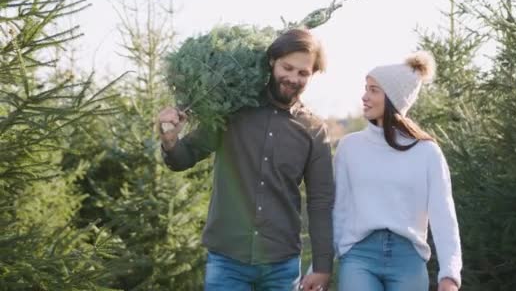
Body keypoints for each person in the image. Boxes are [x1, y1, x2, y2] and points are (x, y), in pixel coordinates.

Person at [157, 28, 335, 291]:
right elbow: (185, 157)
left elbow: (321, 201)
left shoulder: (314, 130)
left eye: (303, 73)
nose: (293, 78)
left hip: (282, 264)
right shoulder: (233, 110)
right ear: (273, 61)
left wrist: (322, 266)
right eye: (288, 67)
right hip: (227, 259)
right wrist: (170, 140)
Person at [333, 51, 462, 291]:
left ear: (393, 98)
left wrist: (450, 274)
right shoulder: (350, 147)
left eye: (373, 90)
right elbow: (339, 209)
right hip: (359, 255)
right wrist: (318, 267)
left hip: (409, 259)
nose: (364, 96)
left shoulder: (427, 153)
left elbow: (443, 215)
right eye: (365, 88)